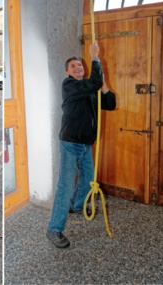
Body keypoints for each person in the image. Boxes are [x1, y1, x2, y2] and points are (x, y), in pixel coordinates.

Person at [47, 42, 117, 248]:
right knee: (65, 186)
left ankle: (76, 206)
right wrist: (95, 57)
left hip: (86, 143)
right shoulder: (70, 86)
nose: (79, 68)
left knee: (87, 179)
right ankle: (54, 229)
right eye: (74, 66)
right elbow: (91, 83)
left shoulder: (88, 87)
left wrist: (104, 87)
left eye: (81, 66)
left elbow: (110, 105)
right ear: (68, 72)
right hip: (70, 142)